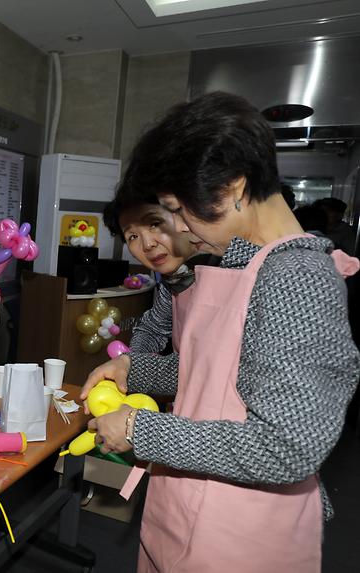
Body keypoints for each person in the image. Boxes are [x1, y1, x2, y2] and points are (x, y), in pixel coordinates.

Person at [81, 91, 360, 572]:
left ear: (230, 187)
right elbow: (217, 374)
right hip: (186, 505)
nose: (180, 229)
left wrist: (138, 429)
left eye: (177, 208)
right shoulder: (250, 264)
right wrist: (135, 368)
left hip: (236, 537)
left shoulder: (297, 276)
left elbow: (286, 446)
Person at [103, 193, 214, 354]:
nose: (147, 244)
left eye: (154, 224)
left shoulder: (227, 268)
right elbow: (153, 328)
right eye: (133, 236)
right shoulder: (174, 280)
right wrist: (131, 361)